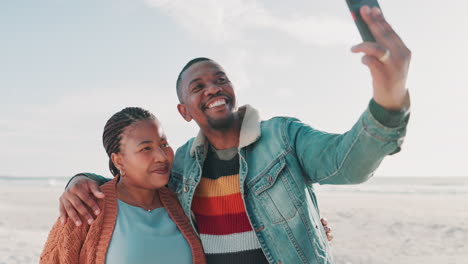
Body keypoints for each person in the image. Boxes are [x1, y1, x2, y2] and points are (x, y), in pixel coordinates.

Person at [59, 5, 410, 264]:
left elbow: (348, 163)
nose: (212, 88)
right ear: (184, 111)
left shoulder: (283, 137)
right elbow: (130, 178)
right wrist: (79, 180)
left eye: (220, 79)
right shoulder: (178, 165)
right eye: (198, 86)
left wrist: (389, 100)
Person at [40, 107, 206, 264]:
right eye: (146, 148)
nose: (162, 157)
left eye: (163, 144)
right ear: (119, 160)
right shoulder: (85, 209)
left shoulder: (183, 202)